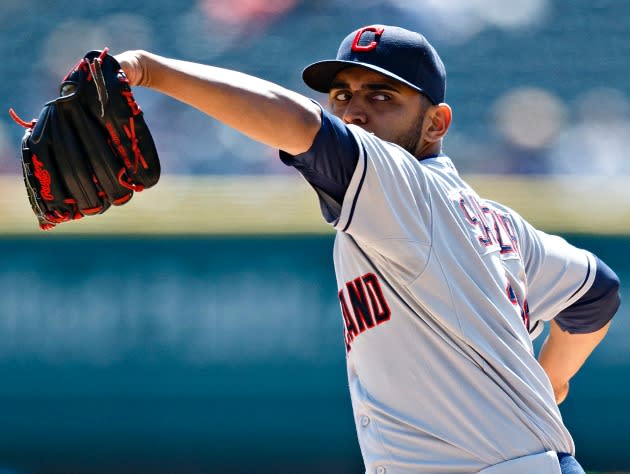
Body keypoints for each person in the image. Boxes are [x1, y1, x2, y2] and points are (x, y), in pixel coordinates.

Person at [116, 24, 620, 473]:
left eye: (381, 97)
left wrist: (148, 70)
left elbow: (298, 125)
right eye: (342, 94)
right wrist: (550, 380)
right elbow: (596, 292)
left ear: (436, 124)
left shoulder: (404, 187)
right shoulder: (492, 221)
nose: (353, 111)